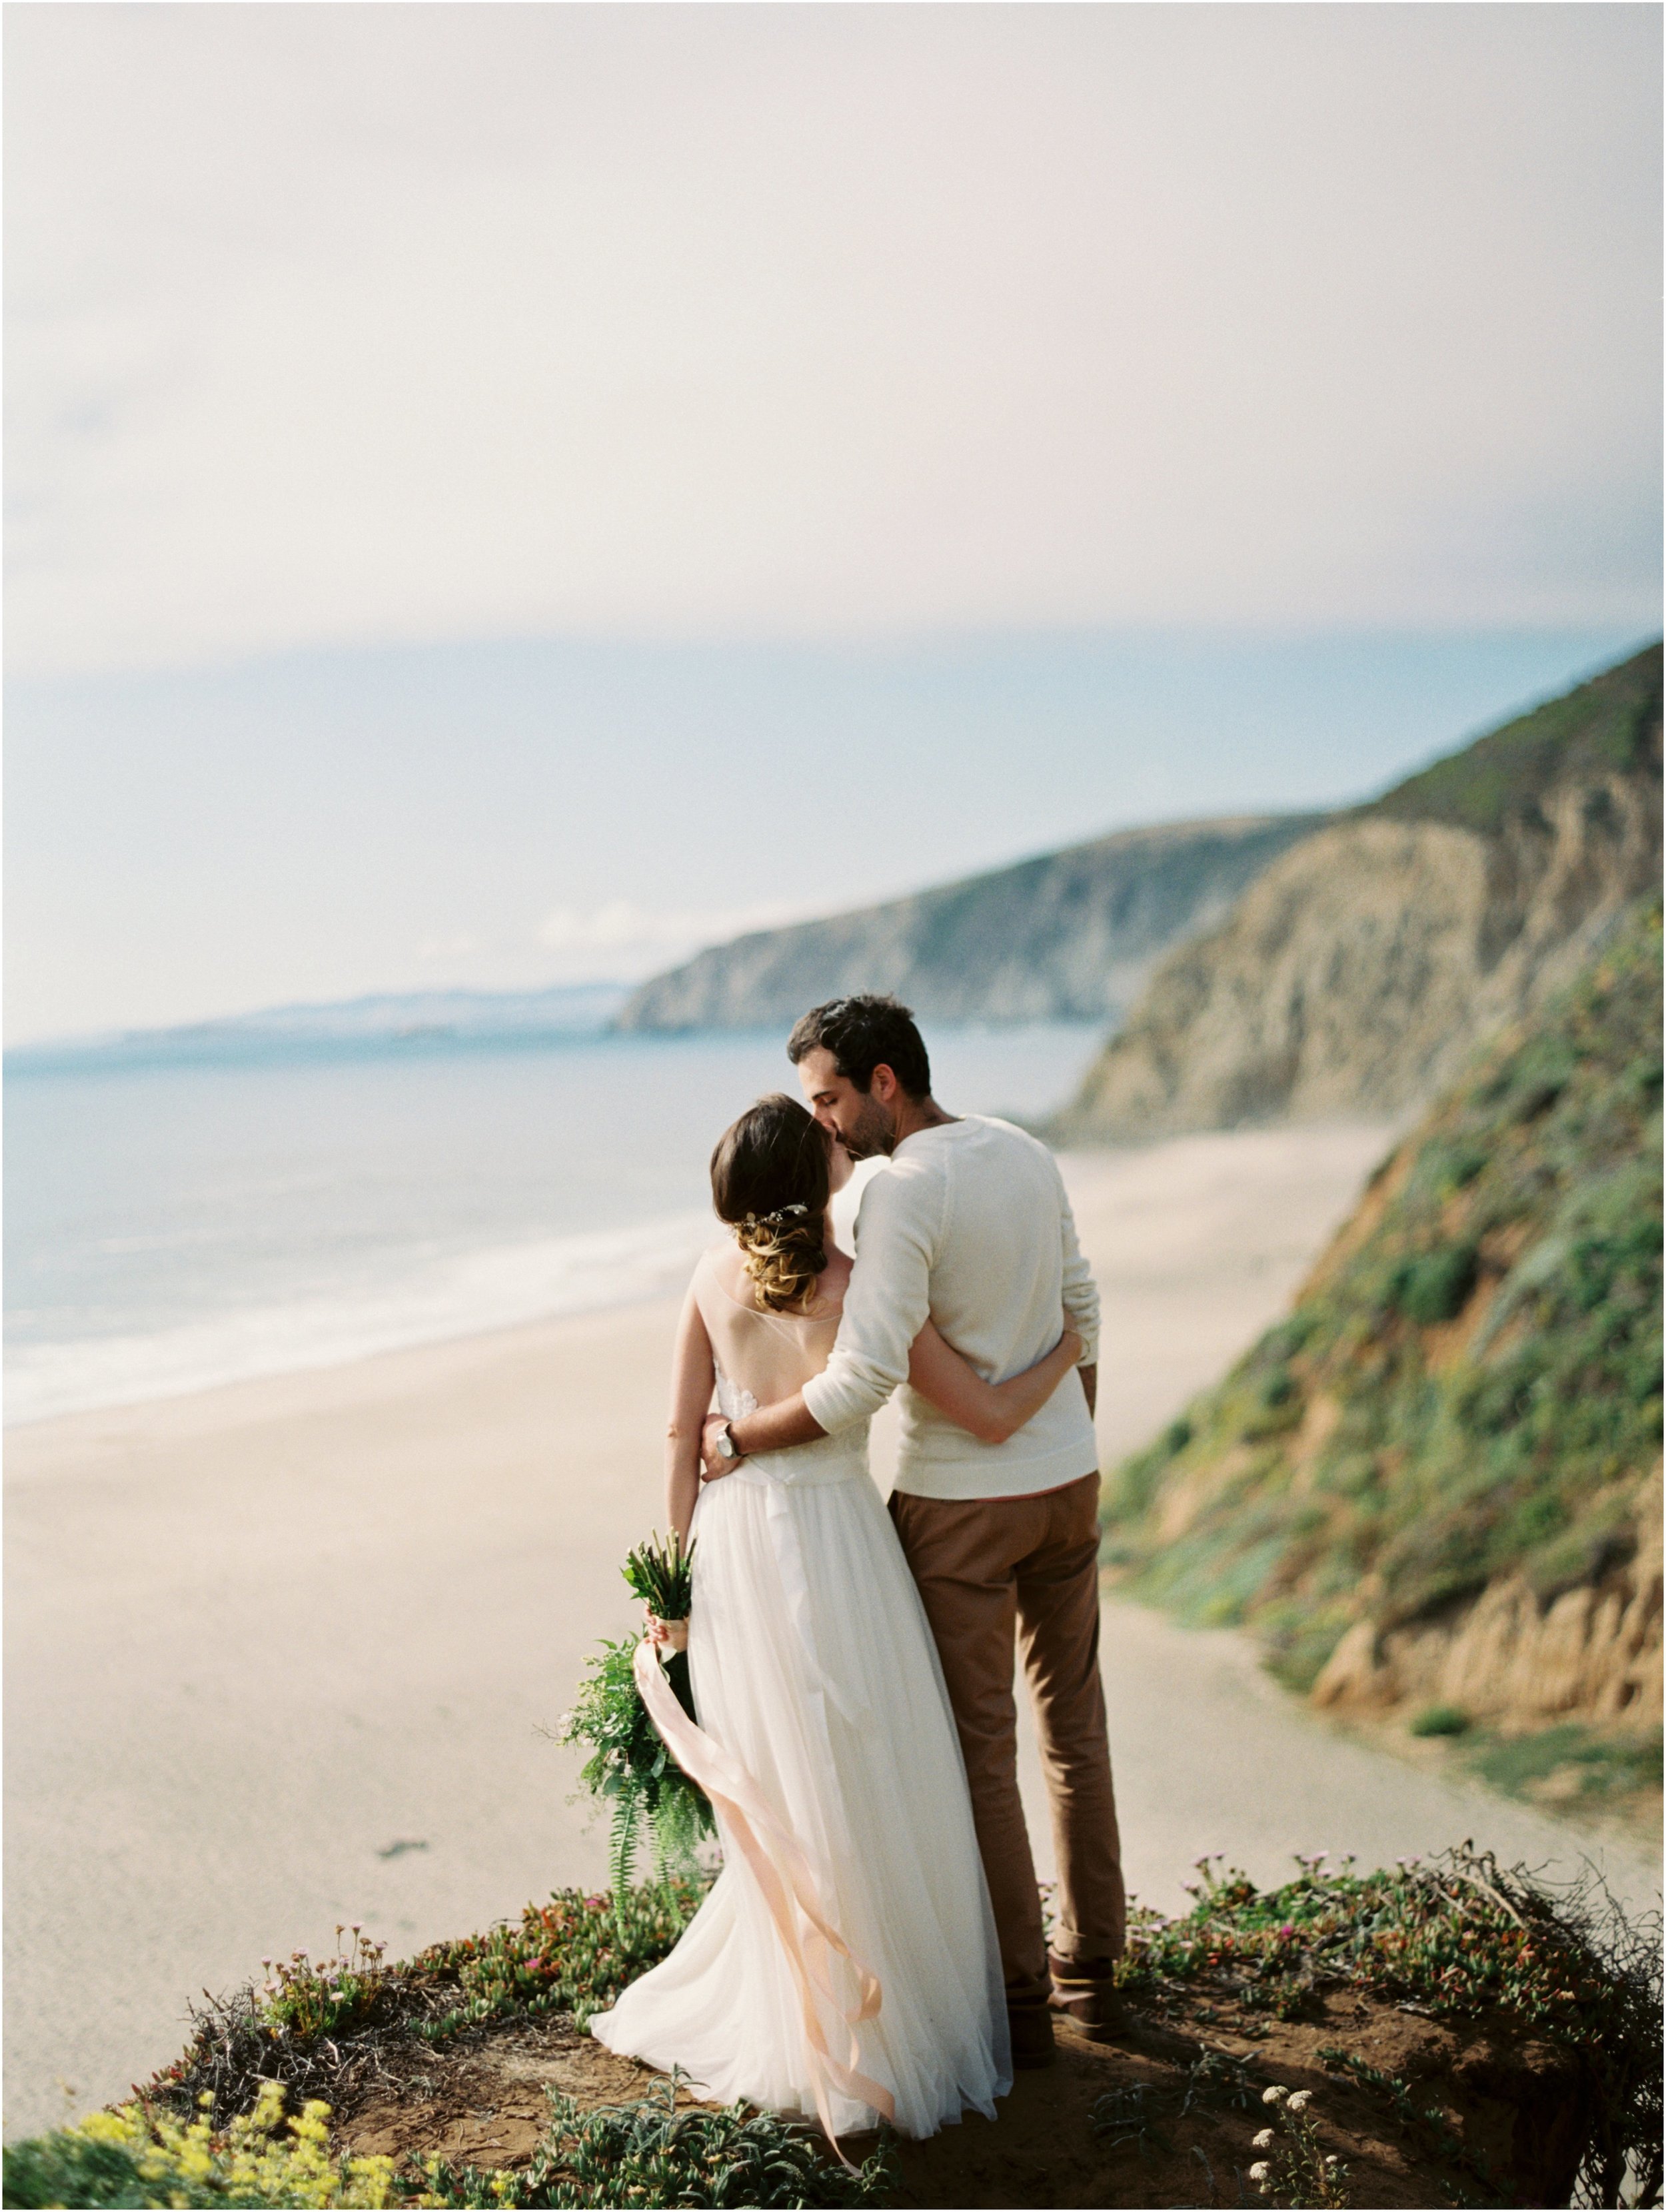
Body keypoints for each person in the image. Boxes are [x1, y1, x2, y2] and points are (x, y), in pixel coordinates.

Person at [588, 1092, 1085, 2142]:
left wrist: (671, 1579)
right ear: (813, 1187)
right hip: (844, 1542)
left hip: (737, 1548)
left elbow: (682, 1433)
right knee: (872, 1763)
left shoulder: (709, 1277)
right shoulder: (857, 1284)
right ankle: (887, 2004)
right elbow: (899, 1391)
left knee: (778, 1775)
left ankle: (803, 1998)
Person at [698, 995, 1126, 2071]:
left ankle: (1022, 2005)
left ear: (885, 1083)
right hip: (1067, 1481)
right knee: (1076, 1733)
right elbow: (1085, 1309)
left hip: (958, 1510)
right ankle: (1099, 1976)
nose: (827, 1124)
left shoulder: (898, 1195)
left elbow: (859, 1381)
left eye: (832, 1097)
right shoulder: (1026, 1151)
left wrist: (742, 1439)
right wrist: (1062, 1444)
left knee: (978, 1757)